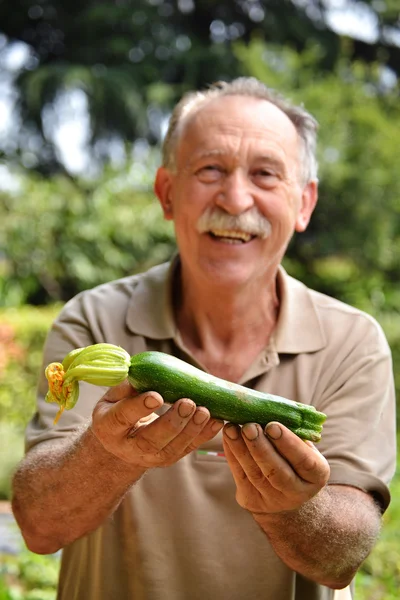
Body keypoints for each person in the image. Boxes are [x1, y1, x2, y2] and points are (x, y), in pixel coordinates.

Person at [11, 77, 396, 600]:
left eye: (265, 174)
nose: (236, 199)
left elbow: (342, 560)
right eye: (210, 169)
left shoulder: (352, 341)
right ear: (167, 193)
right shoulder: (93, 319)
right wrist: (109, 454)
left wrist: (293, 507)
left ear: (304, 203)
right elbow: (38, 526)